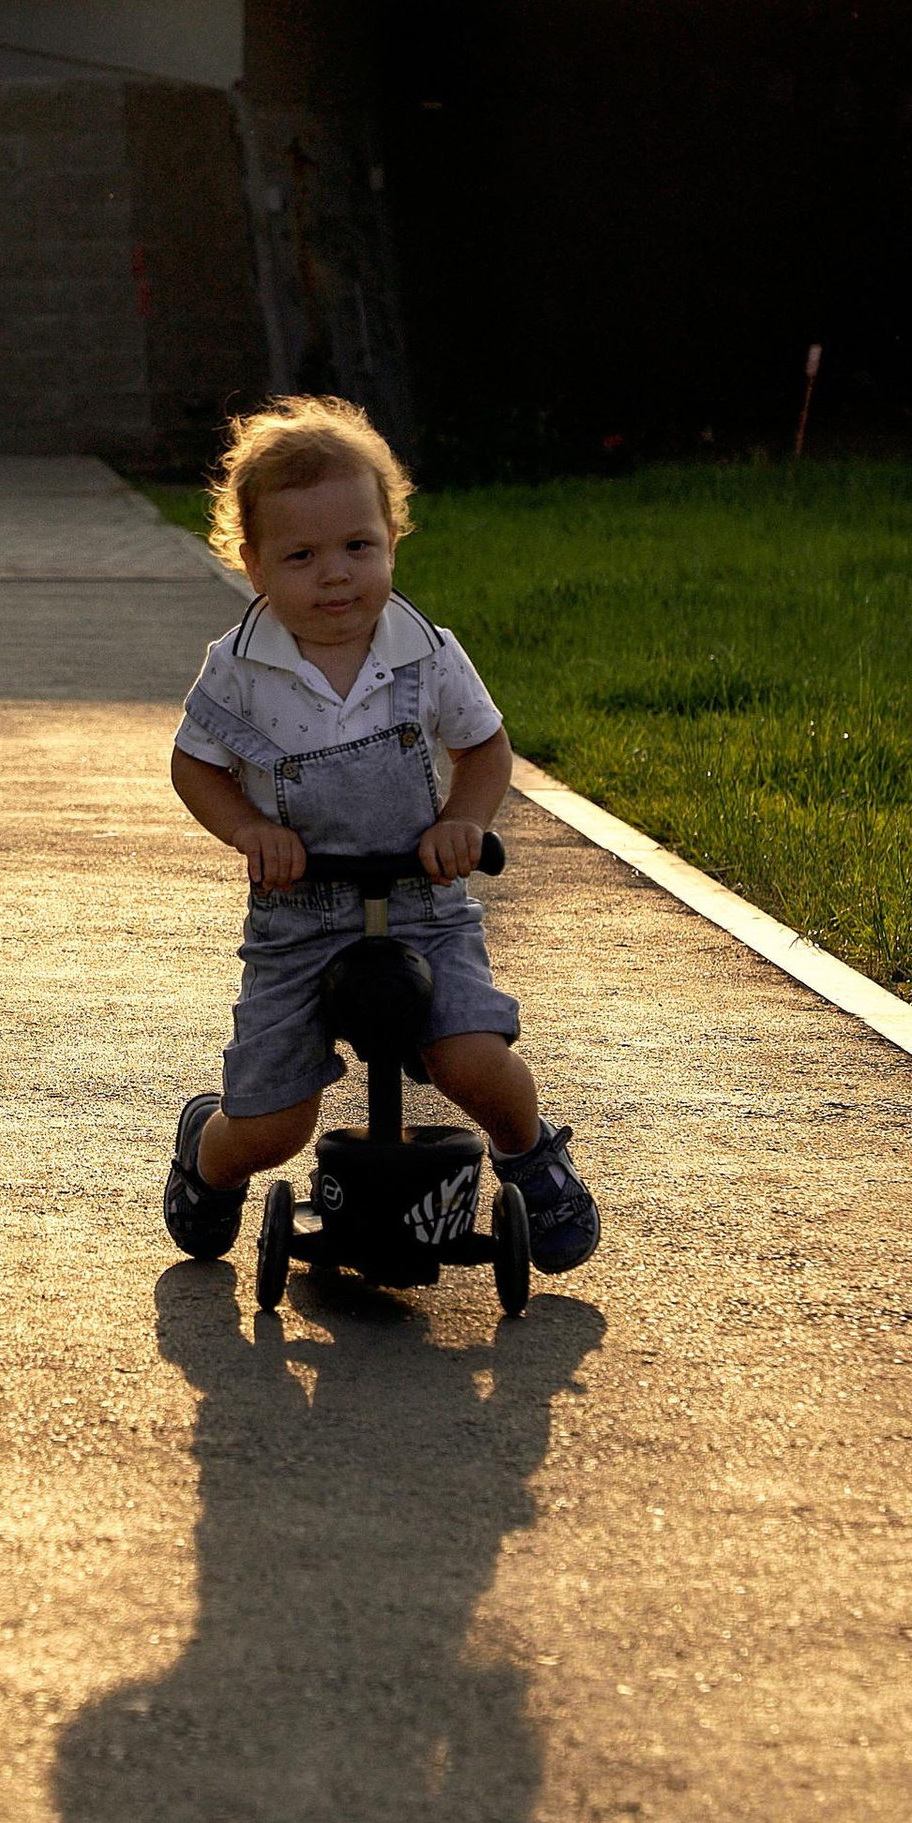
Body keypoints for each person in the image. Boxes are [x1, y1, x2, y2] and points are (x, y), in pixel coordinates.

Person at [160, 394, 602, 1274]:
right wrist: (251, 831)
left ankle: (529, 1154)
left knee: (472, 1056)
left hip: (423, 904)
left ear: (393, 538)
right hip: (298, 916)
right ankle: (210, 1154)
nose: (335, 577)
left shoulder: (425, 652)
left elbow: (483, 747)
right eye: (301, 556)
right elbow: (195, 766)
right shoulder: (239, 668)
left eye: (358, 547)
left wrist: (463, 821)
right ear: (253, 564)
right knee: (276, 1124)